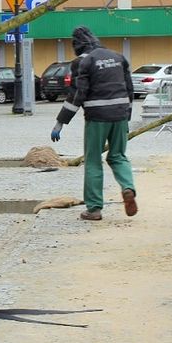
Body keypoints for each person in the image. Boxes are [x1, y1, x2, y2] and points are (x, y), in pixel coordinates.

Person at [50, 25, 137, 220]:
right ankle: (128, 188)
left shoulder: (82, 62)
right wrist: (126, 116)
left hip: (97, 117)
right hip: (120, 114)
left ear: (77, 45)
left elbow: (77, 95)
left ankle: (94, 208)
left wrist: (60, 123)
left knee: (93, 160)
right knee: (118, 156)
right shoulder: (117, 57)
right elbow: (129, 89)